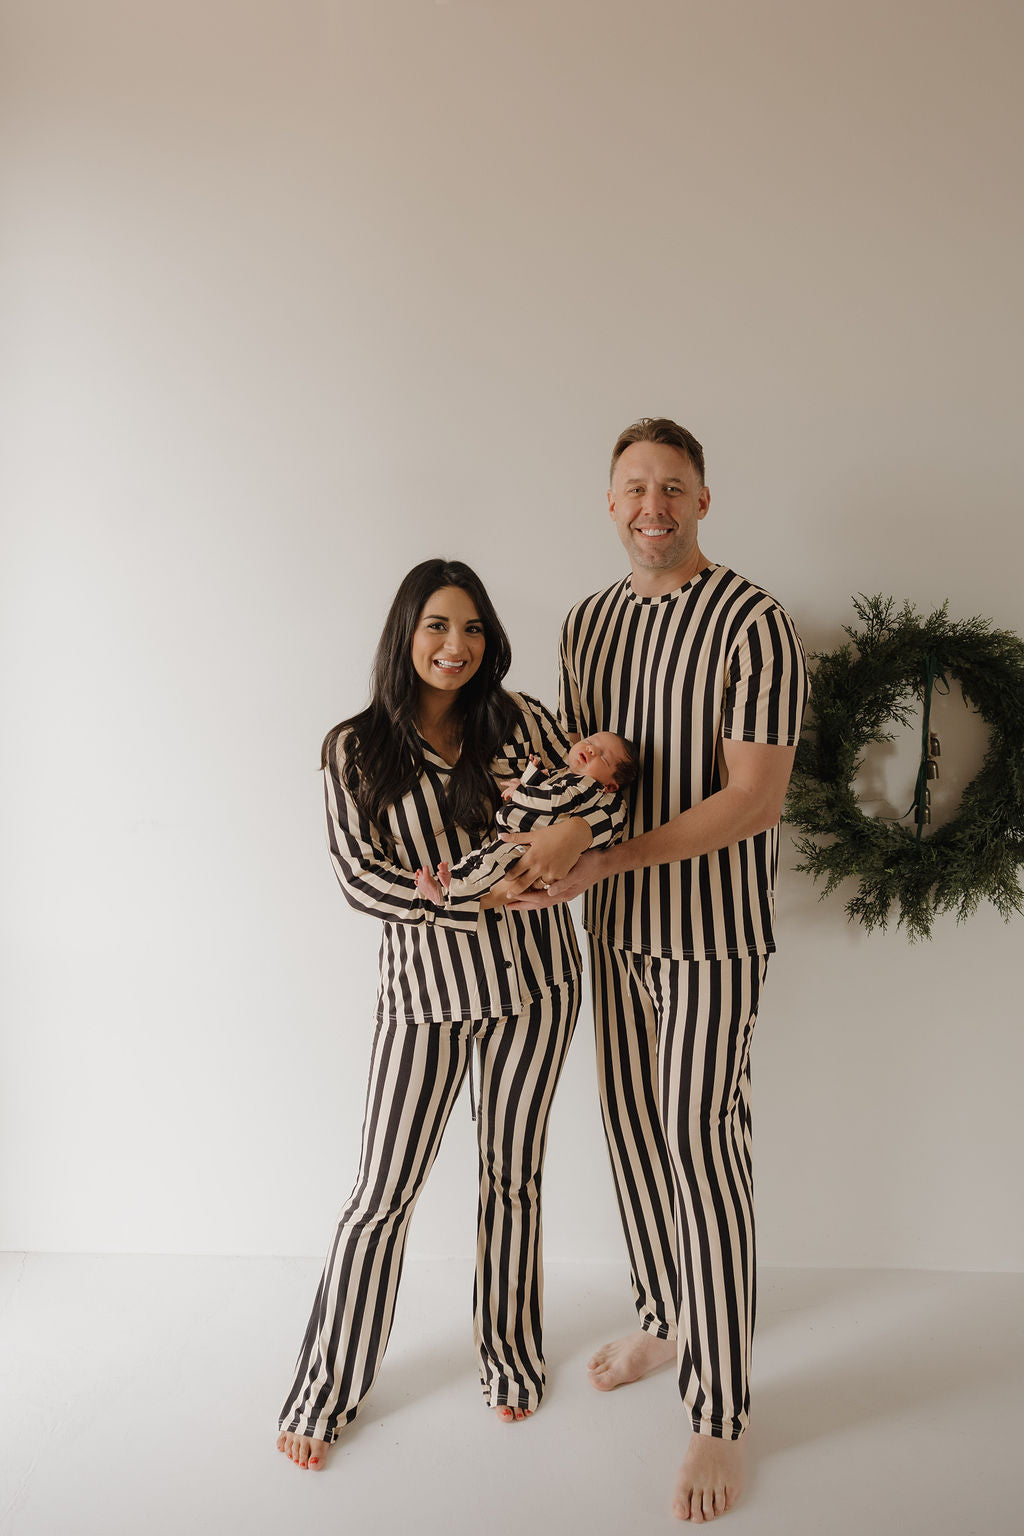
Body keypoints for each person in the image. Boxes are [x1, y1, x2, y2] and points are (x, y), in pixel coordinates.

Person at [504, 419, 809, 1522]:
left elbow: (752, 798)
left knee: (698, 1146)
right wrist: (583, 783)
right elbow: (583, 777)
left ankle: (719, 1410)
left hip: (711, 937)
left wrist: (608, 858)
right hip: (612, 931)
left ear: (703, 501)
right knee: (633, 1132)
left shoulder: (754, 622)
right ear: (608, 500)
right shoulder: (586, 625)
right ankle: (661, 1310)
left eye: (672, 487)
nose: (652, 504)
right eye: (634, 486)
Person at [276, 558, 583, 1470]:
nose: (457, 647)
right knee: (381, 1196)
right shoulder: (353, 749)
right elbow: (360, 879)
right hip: (426, 1004)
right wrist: (480, 895)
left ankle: (510, 1357)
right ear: (405, 635)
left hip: (538, 990)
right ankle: (325, 1388)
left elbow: (592, 803)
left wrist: (566, 836)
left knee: (512, 1178)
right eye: (439, 627)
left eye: (474, 629)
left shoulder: (521, 720)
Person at [414, 731, 638, 902]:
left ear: (610, 786)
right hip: (514, 835)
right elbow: (542, 792)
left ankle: (449, 894)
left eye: (603, 757)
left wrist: (520, 792)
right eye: (591, 741)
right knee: (479, 857)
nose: (591, 750)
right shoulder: (564, 775)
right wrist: (530, 775)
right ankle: (448, 879)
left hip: (528, 846)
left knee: (491, 865)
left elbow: (554, 802)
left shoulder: (588, 786)